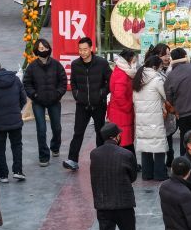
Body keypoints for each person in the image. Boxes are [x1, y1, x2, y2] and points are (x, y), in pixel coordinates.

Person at [89, 123, 152, 230]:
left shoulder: (94, 154)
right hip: (123, 203)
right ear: (116, 137)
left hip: (103, 204)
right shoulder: (126, 154)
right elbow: (132, 177)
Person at [63, 38, 111, 171]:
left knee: (100, 132)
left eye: (85, 49)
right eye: (80, 50)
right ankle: (72, 159)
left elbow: (110, 80)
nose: (82, 52)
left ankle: (100, 159)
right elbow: (73, 83)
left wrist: (102, 93)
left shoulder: (101, 63)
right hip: (82, 105)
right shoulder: (75, 64)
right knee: (78, 132)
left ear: (91, 48)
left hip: (98, 104)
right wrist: (77, 95)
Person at [23, 39, 67, 167]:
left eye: (45, 48)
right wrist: (35, 95)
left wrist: (58, 94)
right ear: (37, 50)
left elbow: (63, 82)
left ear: (49, 49)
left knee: (57, 127)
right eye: (40, 48)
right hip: (38, 102)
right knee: (41, 129)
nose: (43, 50)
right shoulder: (32, 67)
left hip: (54, 101)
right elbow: (27, 84)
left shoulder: (57, 65)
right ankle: (43, 156)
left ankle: (55, 146)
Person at [133, 53, 170, 181]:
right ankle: (160, 174)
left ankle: (147, 174)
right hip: (155, 118)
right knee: (158, 145)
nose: (161, 69)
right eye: (160, 67)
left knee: (146, 146)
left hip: (142, 119)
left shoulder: (138, 79)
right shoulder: (156, 80)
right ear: (155, 67)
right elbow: (167, 96)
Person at [106, 49, 138, 158]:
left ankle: (131, 162)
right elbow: (119, 96)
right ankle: (128, 163)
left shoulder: (122, 70)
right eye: (134, 60)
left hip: (120, 112)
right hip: (121, 113)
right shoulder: (122, 74)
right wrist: (129, 107)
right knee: (125, 141)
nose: (135, 62)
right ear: (128, 60)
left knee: (126, 141)